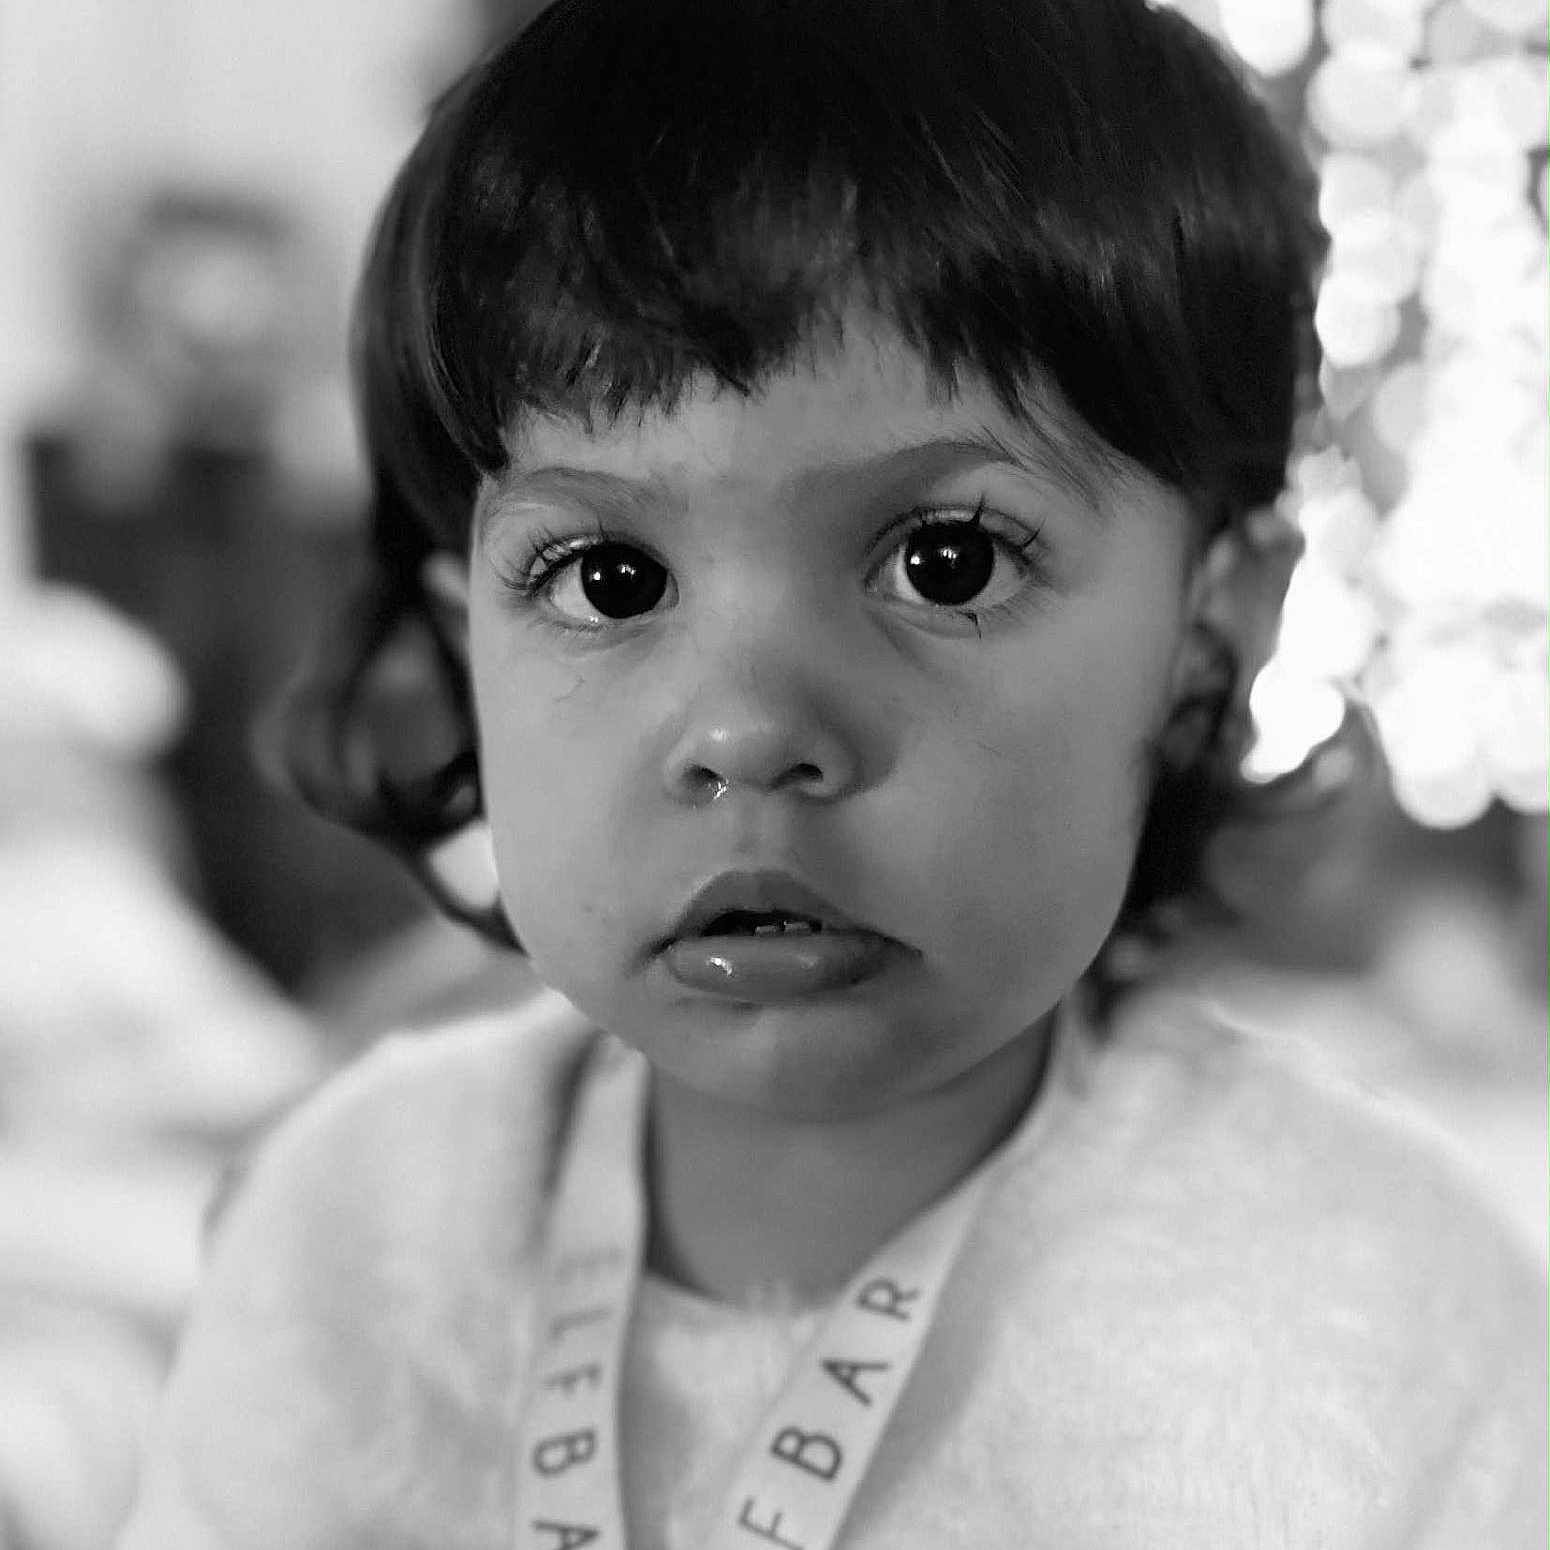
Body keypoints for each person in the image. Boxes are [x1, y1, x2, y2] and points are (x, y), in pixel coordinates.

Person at [117, 0, 1547, 1545]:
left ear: (1207, 639)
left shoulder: (1384, 1310)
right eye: (606, 577)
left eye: (944, 561)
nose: (745, 727)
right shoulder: (345, 1234)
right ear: (471, 644)